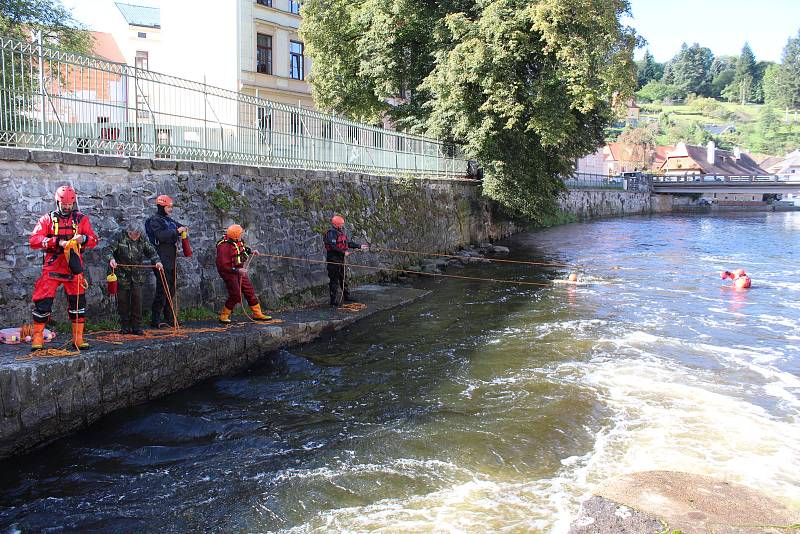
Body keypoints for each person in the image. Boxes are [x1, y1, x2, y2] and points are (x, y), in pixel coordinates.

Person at [28, 185, 98, 350]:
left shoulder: (82, 219)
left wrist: (84, 239)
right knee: (43, 303)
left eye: (69, 204)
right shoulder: (47, 219)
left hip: (73, 267)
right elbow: (34, 240)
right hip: (52, 266)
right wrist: (56, 241)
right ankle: (38, 338)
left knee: (78, 304)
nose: (66, 207)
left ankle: (78, 338)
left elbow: (94, 240)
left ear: (73, 203)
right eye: (63, 204)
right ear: (57, 201)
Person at [107, 224, 164, 334]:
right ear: (129, 232)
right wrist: (111, 259)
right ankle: (124, 326)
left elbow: (151, 251)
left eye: (138, 234)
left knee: (137, 300)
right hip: (121, 274)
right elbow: (108, 250)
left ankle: (137, 326)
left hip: (137, 275)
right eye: (134, 234)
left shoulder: (142, 238)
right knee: (123, 301)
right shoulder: (119, 236)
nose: (136, 236)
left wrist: (157, 261)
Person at [145, 195, 188, 328]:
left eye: (171, 207)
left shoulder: (167, 220)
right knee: (162, 288)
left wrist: (182, 228)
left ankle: (169, 317)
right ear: (162, 207)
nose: (171, 209)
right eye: (169, 207)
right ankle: (155, 319)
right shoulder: (154, 221)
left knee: (171, 288)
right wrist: (176, 231)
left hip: (171, 257)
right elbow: (161, 236)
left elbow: (179, 226)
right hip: (160, 257)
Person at [216, 224, 272, 323]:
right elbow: (223, 266)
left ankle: (257, 314)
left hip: (239, 270)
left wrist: (251, 252)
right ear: (235, 235)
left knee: (249, 290)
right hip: (229, 272)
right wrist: (237, 271)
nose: (242, 234)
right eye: (241, 233)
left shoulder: (237, 240)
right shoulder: (223, 246)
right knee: (236, 294)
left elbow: (242, 250)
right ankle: (224, 315)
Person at [323, 215, 369, 307]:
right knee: (334, 280)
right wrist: (343, 252)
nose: (343, 226)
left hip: (340, 259)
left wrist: (359, 246)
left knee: (343, 278)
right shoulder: (331, 233)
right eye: (341, 224)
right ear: (337, 224)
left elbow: (347, 243)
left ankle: (346, 296)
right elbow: (333, 246)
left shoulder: (340, 232)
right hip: (333, 260)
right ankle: (333, 301)